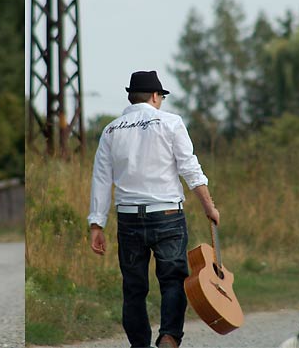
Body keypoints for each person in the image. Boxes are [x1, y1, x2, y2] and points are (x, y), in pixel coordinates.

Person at [86, 70, 221, 348]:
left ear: (131, 97)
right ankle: (169, 336)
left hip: (129, 219)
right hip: (168, 216)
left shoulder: (111, 130)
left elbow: (101, 179)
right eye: (160, 96)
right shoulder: (171, 123)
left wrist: (96, 225)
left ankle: (139, 345)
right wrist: (209, 206)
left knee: (134, 288)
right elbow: (190, 168)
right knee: (173, 280)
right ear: (155, 96)